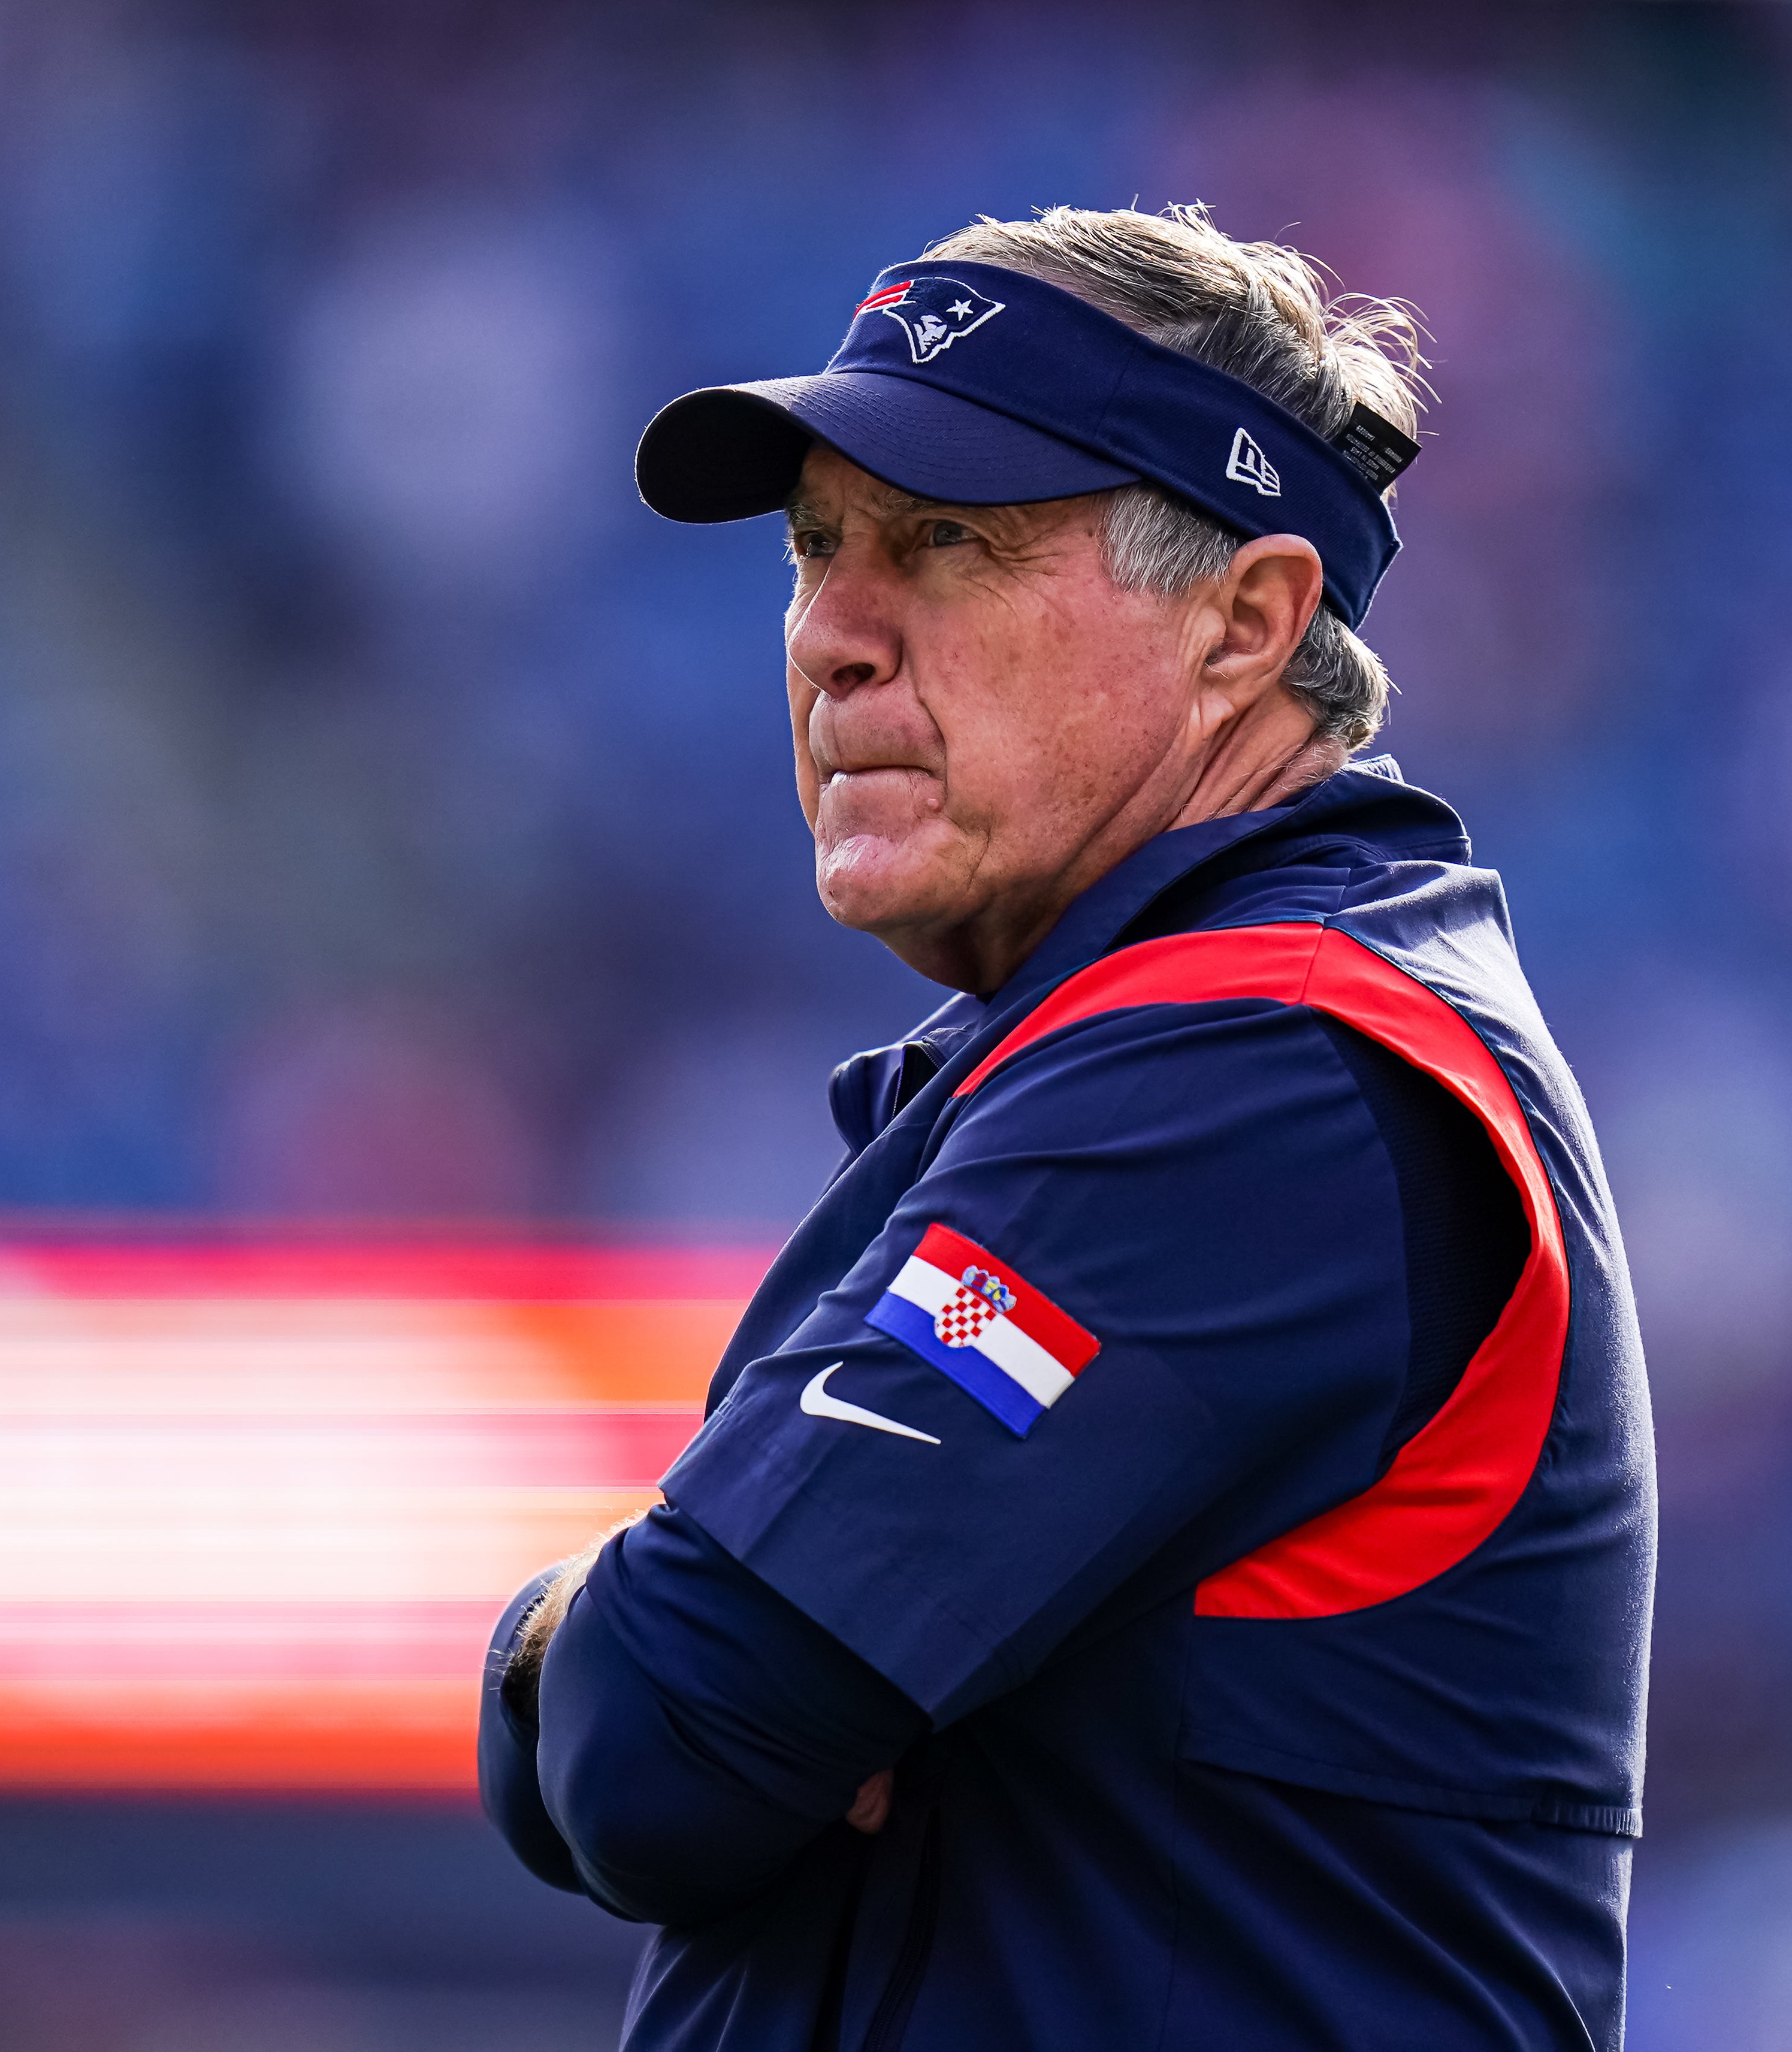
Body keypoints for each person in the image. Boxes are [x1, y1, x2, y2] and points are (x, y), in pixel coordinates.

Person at [478, 204, 1654, 2051]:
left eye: (948, 542)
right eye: (814, 548)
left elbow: (663, 1740)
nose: (833, 638)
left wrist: (569, 1629)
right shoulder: (1170, 1044)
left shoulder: (1252, 1064)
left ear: (1244, 625)